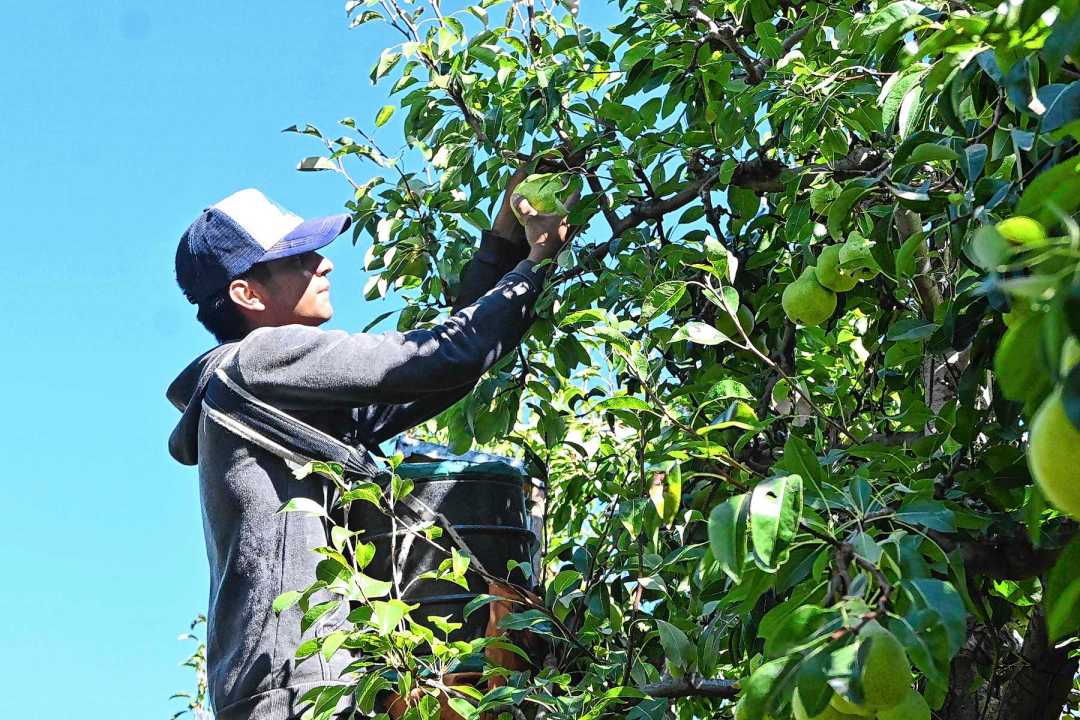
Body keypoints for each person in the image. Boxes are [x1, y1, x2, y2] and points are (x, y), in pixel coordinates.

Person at [166, 168, 571, 720]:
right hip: (302, 695)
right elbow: (440, 357)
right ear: (246, 294)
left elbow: (444, 368)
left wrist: (502, 246)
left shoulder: (276, 394)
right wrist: (536, 263)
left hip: (298, 690)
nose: (324, 263)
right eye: (299, 259)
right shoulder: (260, 359)